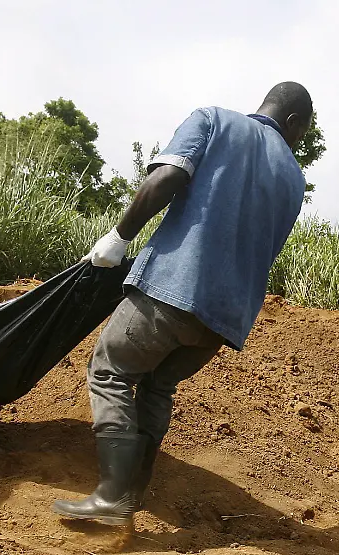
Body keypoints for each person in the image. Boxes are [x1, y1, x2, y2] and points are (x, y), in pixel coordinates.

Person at [52, 82, 313, 527]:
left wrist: (118, 238)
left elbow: (167, 177)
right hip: (224, 318)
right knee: (158, 385)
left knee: (109, 369)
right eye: (301, 133)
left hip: (174, 288)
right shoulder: (294, 178)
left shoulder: (213, 120)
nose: (297, 141)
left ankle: (113, 495)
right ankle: (132, 493)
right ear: (292, 124)